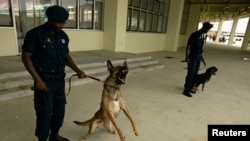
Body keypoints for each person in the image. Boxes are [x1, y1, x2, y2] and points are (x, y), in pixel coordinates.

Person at [21, 5, 86, 141]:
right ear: (49, 20)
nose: (62, 26)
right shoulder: (35, 35)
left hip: (59, 81)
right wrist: (38, 80)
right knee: (44, 113)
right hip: (44, 81)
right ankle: (42, 139)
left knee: (59, 112)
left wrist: (77, 70)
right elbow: (26, 57)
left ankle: (54, 135)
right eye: (59, 23)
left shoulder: (63, 37)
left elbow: (66, 56)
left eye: (63, 23)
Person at [183, 22, 213, 97]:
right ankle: (186, 89)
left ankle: (190, 87)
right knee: (191, 73)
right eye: (207, 29)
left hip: (198, 56)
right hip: (193, 56)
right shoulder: (194, 35)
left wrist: (202, 59)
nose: (207, 31)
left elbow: (200, 49)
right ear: (204, 28)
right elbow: (188, 47)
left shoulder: (202, 36)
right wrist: (187, 57)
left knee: (195, 74)